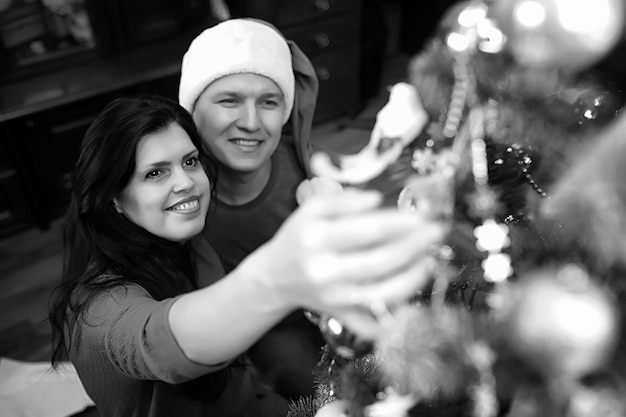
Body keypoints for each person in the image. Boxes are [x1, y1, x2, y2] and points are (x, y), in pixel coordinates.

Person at [48, 94, 445, 417]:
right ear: (114, 198)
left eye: (189, 162)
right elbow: (160, 344)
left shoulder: (191, 244)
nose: (187, 183)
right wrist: (274, 278)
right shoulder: (97, 310)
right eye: (155, 173)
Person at [178, 18, 325, 400]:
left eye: (269, 102)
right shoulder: (176, 201)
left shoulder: (307, 172)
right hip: (262, 330)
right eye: (229, 100)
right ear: (192, 112)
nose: (251, 122)